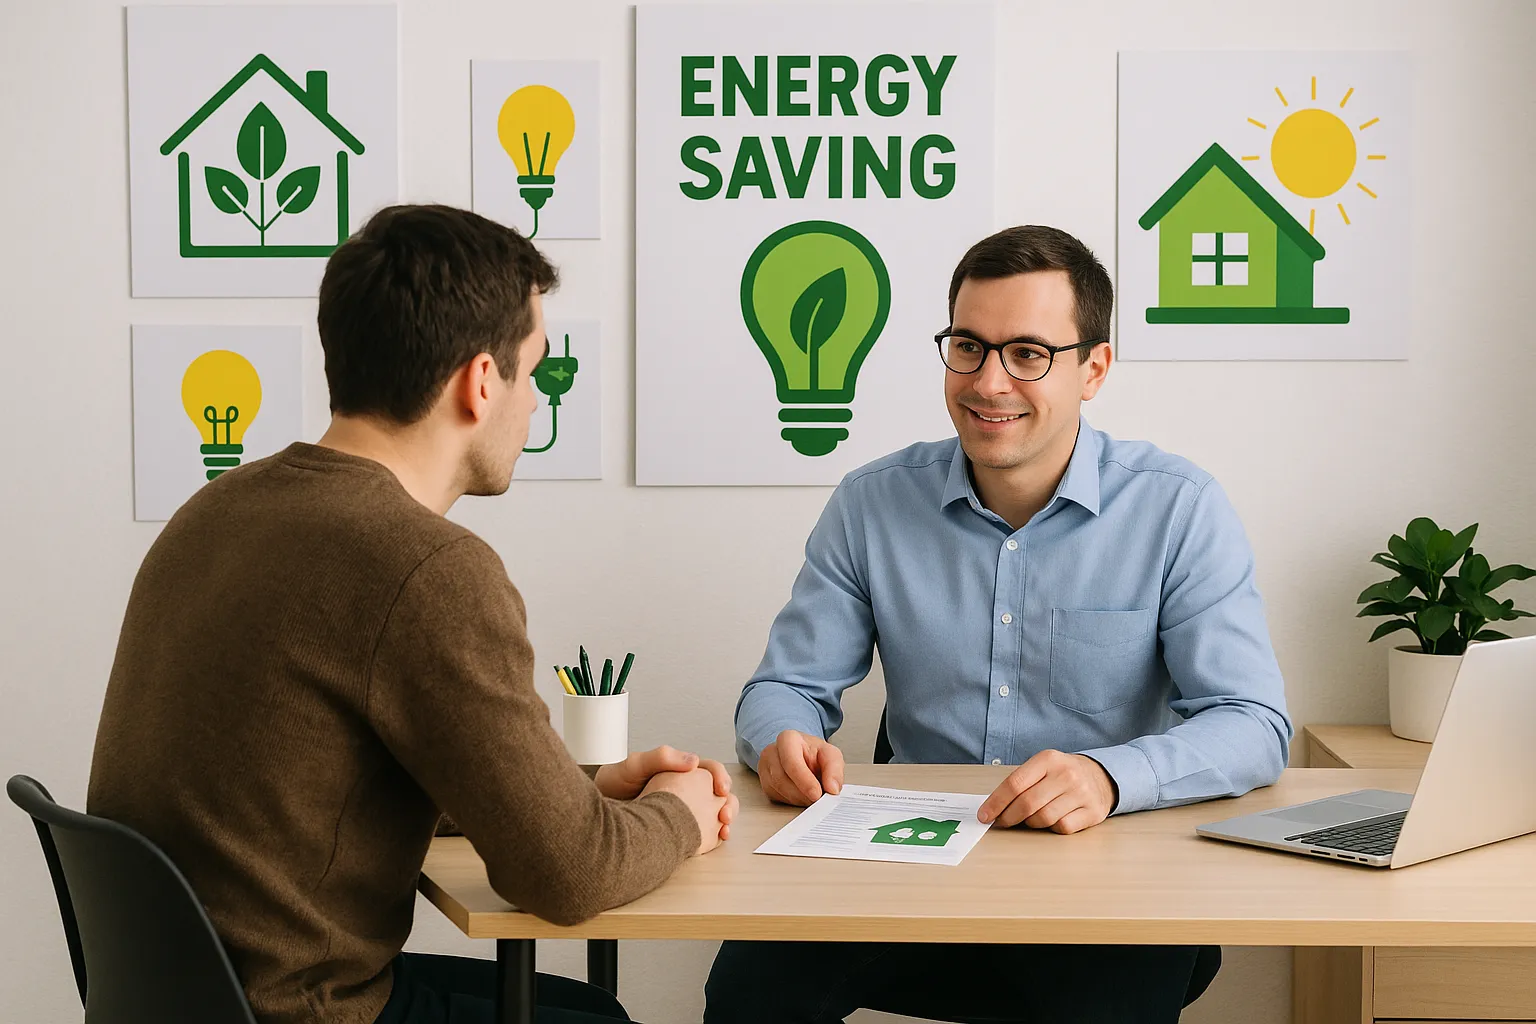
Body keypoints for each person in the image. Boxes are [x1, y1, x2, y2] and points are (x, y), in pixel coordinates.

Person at [88, 204, 738, 1024]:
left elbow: (323, 773)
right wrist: (678, 814)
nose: (534, 401)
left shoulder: (215, 511)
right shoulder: (426, 568)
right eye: (532, 370)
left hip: (181, 1000)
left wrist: (582, 789)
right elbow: (568, 877)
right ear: (478, 381)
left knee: (575, 1009)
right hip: (300, 1009)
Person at [705, 225, 1293, 1023]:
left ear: (1095, 368)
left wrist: (1111, 776)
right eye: (968, 347)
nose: (989, 382)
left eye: (1027, 353)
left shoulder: (1178, 508)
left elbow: (1252, 722)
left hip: (1099, 880)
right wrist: (779, 740)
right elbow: (785, 687)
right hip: (900, 862)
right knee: (746, 991)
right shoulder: (871, 503)